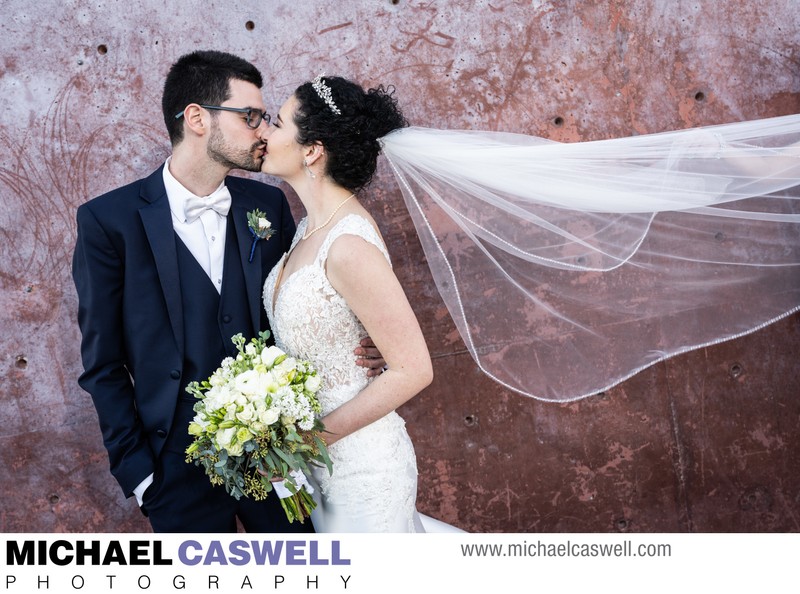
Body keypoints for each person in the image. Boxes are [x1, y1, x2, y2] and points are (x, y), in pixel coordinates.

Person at [71, 51, 386, 533]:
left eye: (265, 118)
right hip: (173, 471)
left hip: (280, 460)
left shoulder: (268, 205)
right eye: (250, 116)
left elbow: (297, 309)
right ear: (196, 118)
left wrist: (361, 346)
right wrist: (141, 477)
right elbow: (102, 364)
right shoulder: (108, 222)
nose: (263, 130)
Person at [260, 75, 463, 533]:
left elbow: (414, 369)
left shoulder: (348, 241)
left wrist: (307, 442)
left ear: (312, 150)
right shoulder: (308, 228)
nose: (265, 133)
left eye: (277, 122)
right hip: (318, 473)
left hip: (364, 472)